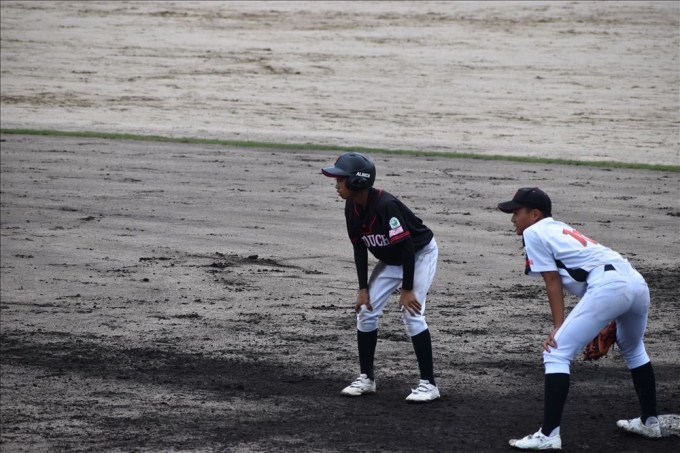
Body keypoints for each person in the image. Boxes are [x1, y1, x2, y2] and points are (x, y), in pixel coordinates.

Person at [497, 187, 660, 450]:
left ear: (535, 214)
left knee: (556, 352)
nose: (513, 219)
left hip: (609, 286)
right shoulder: (559, 228)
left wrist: (558, 328)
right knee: (633, 348)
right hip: (635, 282)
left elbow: (552, 281)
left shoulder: (533, 232)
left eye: (516, 212)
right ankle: (650, 422)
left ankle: (548, 435)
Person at [321, 152, 440, 402]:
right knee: (366, 310)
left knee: (412, 313)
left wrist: (407, 289)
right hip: (392, 258)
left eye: (341, 180)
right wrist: (362, 289)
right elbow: (359, 247)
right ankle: (366, 379)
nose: (336, 185)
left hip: (419, 255)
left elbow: (407, 246)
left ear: (357, 181)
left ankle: (429, 385)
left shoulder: (386, 206)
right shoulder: (351, 207)